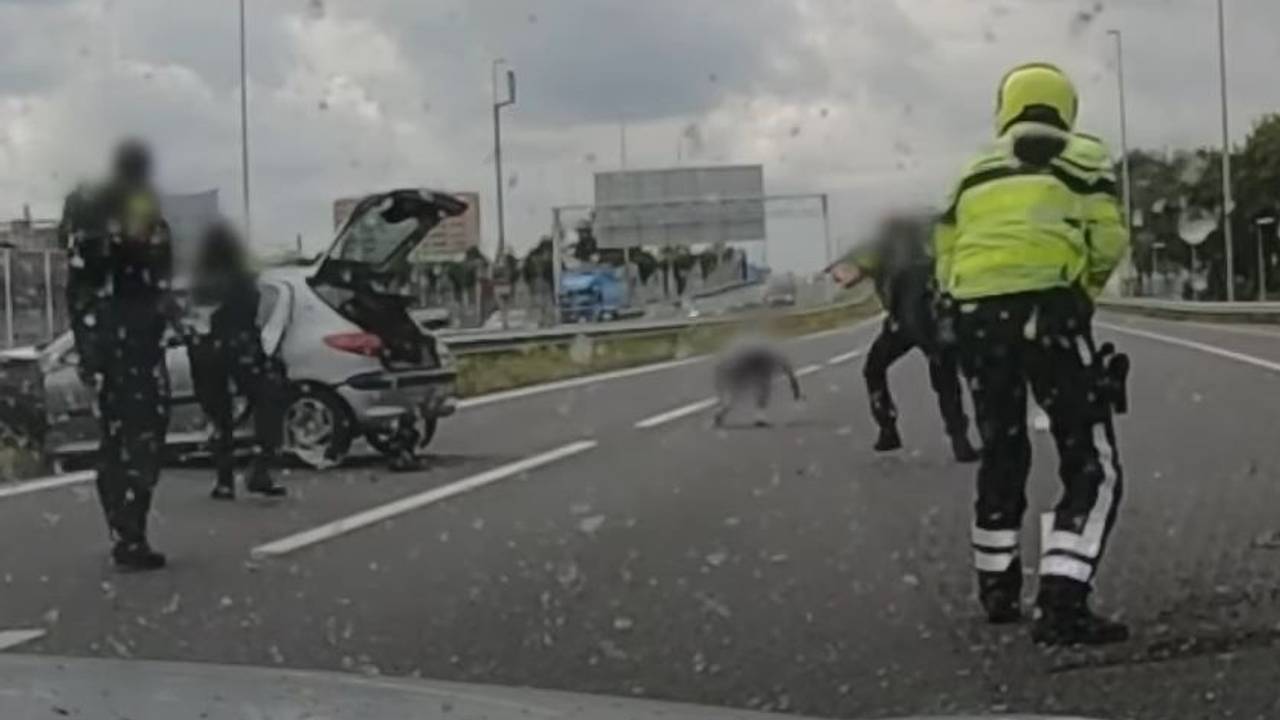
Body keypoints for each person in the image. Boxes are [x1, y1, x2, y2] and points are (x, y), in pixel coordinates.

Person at [933, 63, 1131, 645]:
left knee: (1002, 447)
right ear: (1066, 107)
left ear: (1006, 108)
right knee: (1091, 461)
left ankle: (997, 588)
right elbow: (1109, 240)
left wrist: (968, 301)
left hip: (977, 316)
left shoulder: (973, 168)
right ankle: (1063, 601)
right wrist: (1080, 294)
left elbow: (944, 249)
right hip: (1048, 310)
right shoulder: (1083, 156)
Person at [60, 139, 174, 571]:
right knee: (136, 439)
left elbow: (82, 293)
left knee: (125, 439)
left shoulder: (99, 228)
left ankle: (127, 528)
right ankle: (129, 531)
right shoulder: (113, 225)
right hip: (129, 346)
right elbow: (145, 265)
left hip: (124, 344)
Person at [828, 214, 979, 463]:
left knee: (874, 369)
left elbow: (850, 276)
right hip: (934, 318)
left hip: (903, 322)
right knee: (946, 379)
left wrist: (845, 268)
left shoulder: (880, 244)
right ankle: (959, 440)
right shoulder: (932, 236)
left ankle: (888, 429)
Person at [187, 221, 288, 500]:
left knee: (219, 415)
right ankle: (260, 465)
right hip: (240, 347)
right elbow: (249, 310)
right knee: (270, 397)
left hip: (207, 352)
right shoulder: (241, 277)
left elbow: (196, 319)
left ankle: (225, 479)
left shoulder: (201, 281)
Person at [711, 332, 803, 428]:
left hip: (738, 364)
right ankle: (758, 416)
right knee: (763, 385)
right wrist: (797, 395)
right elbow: (791, 377)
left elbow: (722, 370)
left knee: (741, 391)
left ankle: (723, 411)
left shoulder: (772, 356)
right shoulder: (777, 357)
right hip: (740, 364)